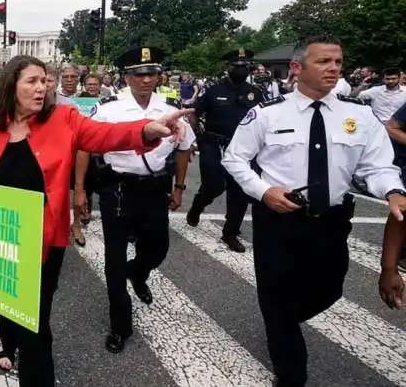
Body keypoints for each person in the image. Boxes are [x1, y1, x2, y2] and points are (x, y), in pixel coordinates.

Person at [0, 55, 192, 386]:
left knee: (34, 319)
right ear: (10, 85)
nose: (41, 87)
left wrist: (147, 130)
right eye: (31, 81)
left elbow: (105, 135)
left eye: (44, 81)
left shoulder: (64, 118)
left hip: (43, 236)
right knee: (5, 301)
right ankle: (9, 344)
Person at [222, 35, 406, 387]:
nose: (334, 68)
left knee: (330, 289)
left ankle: (281, 325)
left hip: (332, 221)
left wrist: (394, 192)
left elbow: (377, 167)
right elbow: (235, 158)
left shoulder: (360, 116)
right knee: (277, 296)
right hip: (279, 218)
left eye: (338, 62)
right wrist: (264, 191)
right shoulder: (267, 114)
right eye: (324, 62)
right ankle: (290, 370)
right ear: (297, 67)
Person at [77, 47, 196, 353]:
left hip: (155, 188)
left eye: (151, 73)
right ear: (126, 77)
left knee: (158, 247)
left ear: (159, 76)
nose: (146, 80)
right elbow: (85, 147)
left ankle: (139, 272)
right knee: (114, 260)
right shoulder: (108, 108)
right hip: (116, 189)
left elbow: (185, 147)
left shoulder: (170, 106)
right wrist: (80, 189)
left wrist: (179, 186)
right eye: (139, 74)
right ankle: (120, 325)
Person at [186, 49, 264, 253]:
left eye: (245, 67)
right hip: (212, 142)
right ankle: (198, 205)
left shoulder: (255, 92)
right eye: (237, 67)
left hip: (242, 147)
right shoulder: (213, 90)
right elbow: (195, 113)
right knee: (214, 183)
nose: (241, 70)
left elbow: (265, 119)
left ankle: (230, 232)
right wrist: (196, 134)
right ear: (228, 68)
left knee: (239, 190)